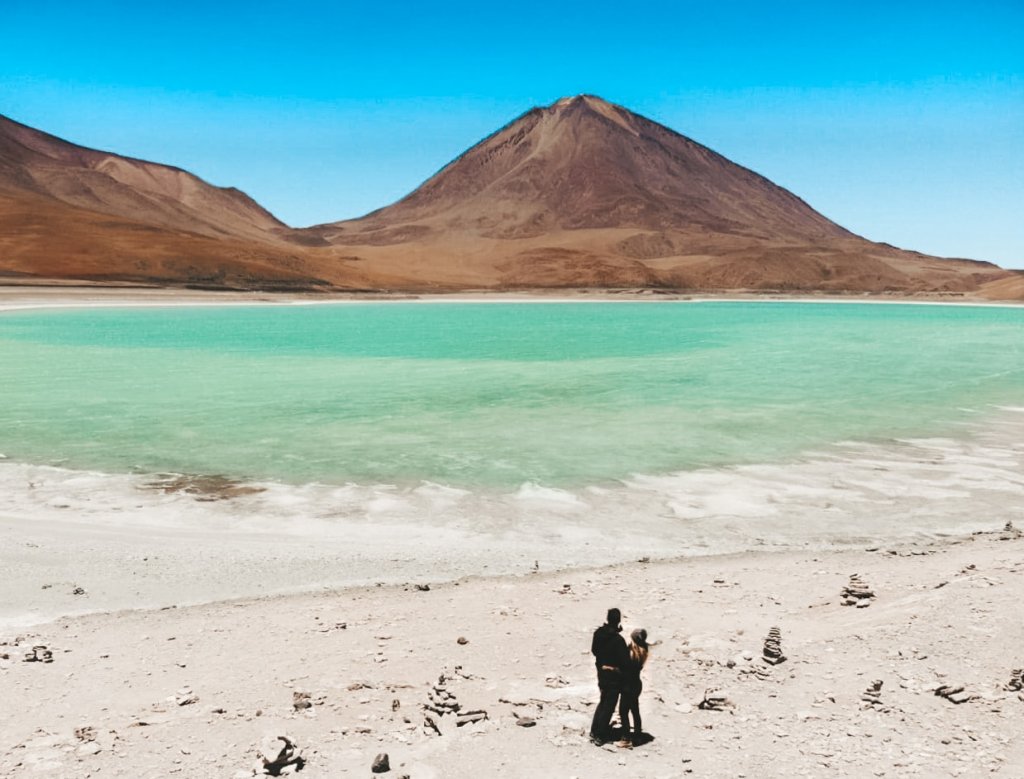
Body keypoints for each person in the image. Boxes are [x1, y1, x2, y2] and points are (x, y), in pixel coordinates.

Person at [589, 607, 630, 745]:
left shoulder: (598, 634)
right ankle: (600, 735)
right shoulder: (618, 640)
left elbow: (594, 651)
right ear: (618, 620)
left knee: (603, 701)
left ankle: (594, 730)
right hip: (614, 676)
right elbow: (625, 662)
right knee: (609, 705)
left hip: (601, 673)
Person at [618, 627, 650, 746]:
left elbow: (623, 668)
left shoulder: (631, 653)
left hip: (628, 685)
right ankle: (638, 736)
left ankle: (626, 738)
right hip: (636, 684)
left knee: (623, 711)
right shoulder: (644, 650)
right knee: (635, 710)